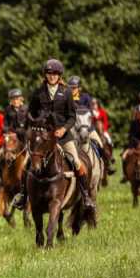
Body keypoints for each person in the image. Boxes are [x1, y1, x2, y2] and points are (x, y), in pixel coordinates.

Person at [11, 58, 96, 212]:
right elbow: (31, 112)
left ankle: (85, 196)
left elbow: (72, 116)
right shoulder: (38, 93)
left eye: (55, 73)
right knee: (25, 165)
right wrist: (36, 124)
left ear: (59, 75)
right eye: (49, 73)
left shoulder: (67, 92)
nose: (52, 76)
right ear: (45, 75)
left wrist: (63, 129)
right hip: (43, 138)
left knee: (77, 162)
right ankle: (23, 196)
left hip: (63, 136)